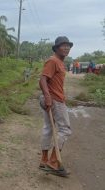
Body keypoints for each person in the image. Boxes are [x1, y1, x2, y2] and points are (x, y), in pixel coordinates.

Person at [39, 36, 73, 177]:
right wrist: (48, 97)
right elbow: (42, 79)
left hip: (53, 99)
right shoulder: (53, 61)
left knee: (48, 128)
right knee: (65, 129)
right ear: (57, 48)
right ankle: (53, 162)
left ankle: (44, 160)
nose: (66, 48)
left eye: (68, 46)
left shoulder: (60, 62)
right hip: (55, 100)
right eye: (63, 45)